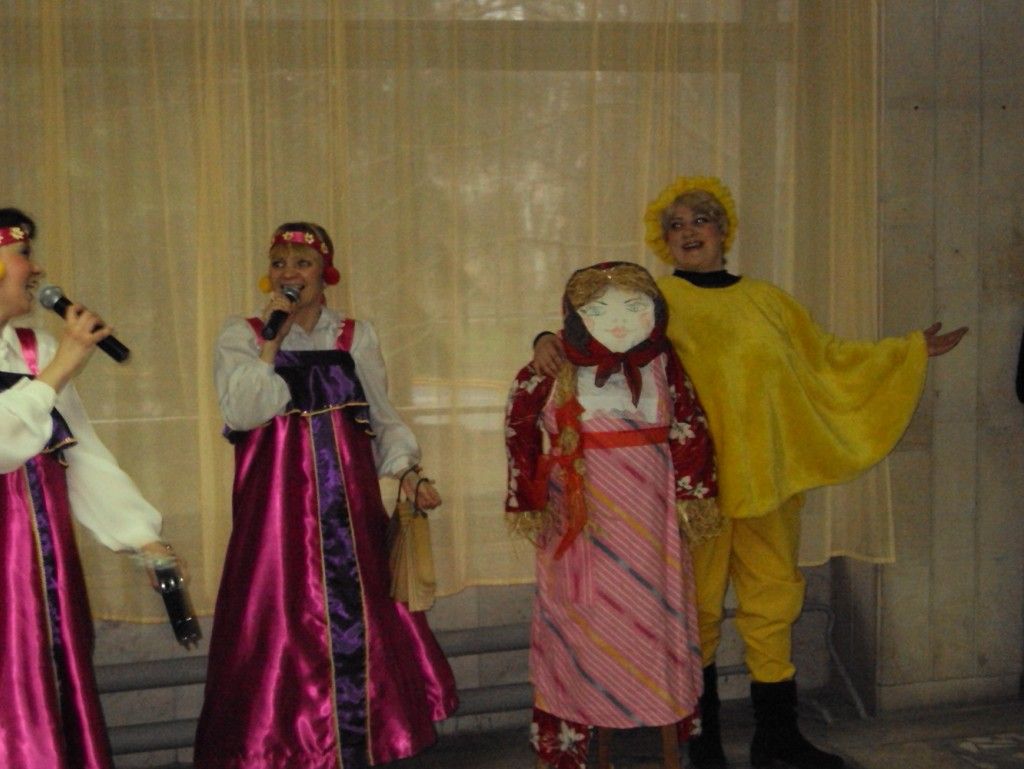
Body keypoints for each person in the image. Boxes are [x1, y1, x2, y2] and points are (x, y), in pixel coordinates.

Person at [533, 177, 968, 769]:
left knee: (774, 602)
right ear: (662, 240)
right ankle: (703, 743)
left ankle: (777, 739)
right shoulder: (654, 305)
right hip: (693, 491)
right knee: (699, 610)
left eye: (700, 220)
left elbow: (828, 358)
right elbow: (593, 344)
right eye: (675, 225)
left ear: (723, 230)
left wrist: (906, 350)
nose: (688, 232)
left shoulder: (770, 302)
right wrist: (545, 338)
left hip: (768, 482)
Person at [194, 221, 458, 769]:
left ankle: (360, 743)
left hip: (349, 514)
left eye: (302, 263)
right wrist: (272, 342)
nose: (288, 274)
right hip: (274, 517)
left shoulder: (354, 336)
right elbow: (243, 411)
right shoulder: (243, 334)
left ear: (325, 272)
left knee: (361, 617)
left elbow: (381, 417)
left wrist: (408, 472)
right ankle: (278, 745)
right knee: (277, 625)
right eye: (279, 263)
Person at [506, 262, 718, 769]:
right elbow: (519, 425)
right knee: (580, 625)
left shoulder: (664, 363)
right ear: (575, 316)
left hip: (651, 526)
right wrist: (530, 499)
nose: (619, 321)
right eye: (599, 310)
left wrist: (694, 497)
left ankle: (655, 721)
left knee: (653, 621)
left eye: (633, 307)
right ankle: (577, 727)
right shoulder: (556, 363)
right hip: (579, 523)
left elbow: (690, 429)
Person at [0, 207, 180, 769]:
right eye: (22, 255)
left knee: (47, 688)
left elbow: (82, 455)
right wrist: (63, 366)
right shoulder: (51, 363)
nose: (36, 269)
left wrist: (142, 538)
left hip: (40, 570)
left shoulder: (33, 350)